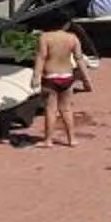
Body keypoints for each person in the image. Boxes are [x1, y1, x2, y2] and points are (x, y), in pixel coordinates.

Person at [34, 18, 88, 148]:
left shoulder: (45, 37)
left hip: (50, 76)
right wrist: (86, 79)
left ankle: (48, 140)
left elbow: (41, 57)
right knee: (67, 109)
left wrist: (36, 76)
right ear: (66, 24)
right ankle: (72, 139)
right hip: (67, 76)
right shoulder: (72, 38)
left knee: (50, 110)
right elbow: (79, 58)